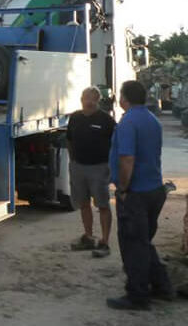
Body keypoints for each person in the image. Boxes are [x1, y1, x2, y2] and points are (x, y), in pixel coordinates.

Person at [107, 79, 173, 311]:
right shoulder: (152, 120)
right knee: (143, 242)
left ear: (124, 98)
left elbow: (127, 159)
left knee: (133, 244)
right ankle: (162, 286)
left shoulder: (128, 123)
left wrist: (123, 189)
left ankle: (137, 296)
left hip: (136, 193)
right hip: (155, 190)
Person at [67, 86, 115, 258]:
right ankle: (88, 237)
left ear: (97, 100)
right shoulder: (75, 117)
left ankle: (104, 242)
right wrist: (73, 161)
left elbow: (115, 144)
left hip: (99, 168)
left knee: (102, 205)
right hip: (78, 167)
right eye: (84, 96)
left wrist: (110, 167)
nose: (87, 100)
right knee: (83, 203)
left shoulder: (106, 120)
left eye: (90, 97)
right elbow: (69, 140)